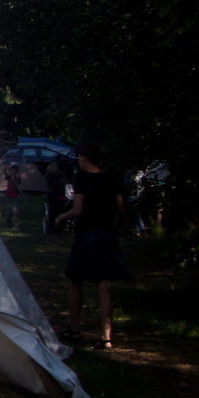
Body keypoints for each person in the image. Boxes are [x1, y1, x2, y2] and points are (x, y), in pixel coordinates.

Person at [55, 141, 130, 349]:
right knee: (104, 286)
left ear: (85, 157)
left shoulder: (82, 178)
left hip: (87, 235)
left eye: (80, 157)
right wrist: (113, 225)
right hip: (107, 235)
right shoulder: (112, 178)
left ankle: (74, 329)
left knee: (75, 281)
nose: (79, 160)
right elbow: (121, 207)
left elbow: (77, 209)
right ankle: (106, 337)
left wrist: (61, 217)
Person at [3, 163, 21, 227]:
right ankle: (8, 224)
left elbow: (18, 184)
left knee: (15, 211)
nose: (13, 172)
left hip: (15, 197)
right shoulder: (9, 177)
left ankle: (15, 224)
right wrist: (5, 168)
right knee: (8, 211)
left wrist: (14, 179)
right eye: (12, 170)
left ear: (16, 171)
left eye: (14, 170)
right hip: (8, 196)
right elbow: (5, 174)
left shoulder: (17, 178)